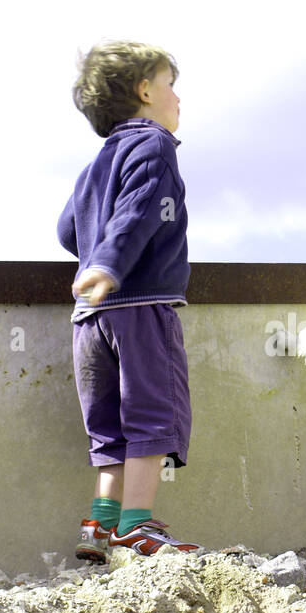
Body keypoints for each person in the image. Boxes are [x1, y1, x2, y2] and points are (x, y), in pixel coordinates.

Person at [57, 40, 198, 559]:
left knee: (110, 424)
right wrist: (110, 265)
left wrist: (94, 257)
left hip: (89, 319)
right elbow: (139, 211)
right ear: (144, 90)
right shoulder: (154, 146)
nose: (177, 98)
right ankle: (137, 526)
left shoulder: (96, 163)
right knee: (154, 415)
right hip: (139, 305)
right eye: (169, 85)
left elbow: (68, 228)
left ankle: (101, 522)